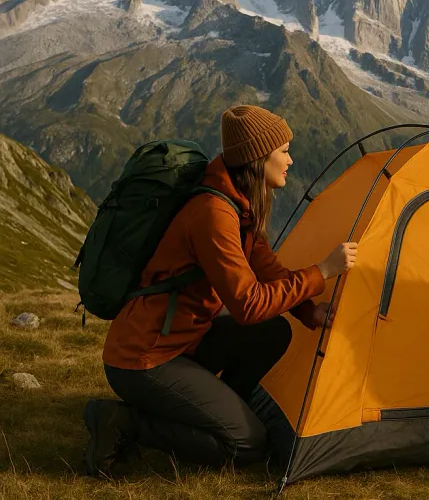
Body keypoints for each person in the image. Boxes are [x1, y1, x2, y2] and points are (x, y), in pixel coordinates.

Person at [82, 105, 357, 477]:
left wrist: (309, 312)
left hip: (183, 342)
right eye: (284, 151)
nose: (290, 160)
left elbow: (269, 269)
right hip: (144, 359)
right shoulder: (214, 213)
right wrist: (323, 271)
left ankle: (218, 409)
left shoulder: (236, 204)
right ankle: (121, 421)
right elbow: (247, 305)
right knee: (246, 444)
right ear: (259, 158)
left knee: (273, 332)